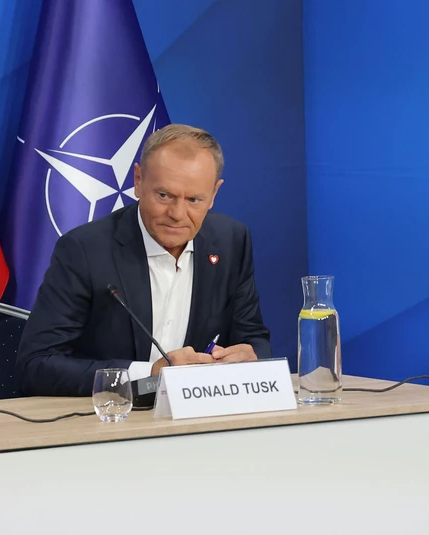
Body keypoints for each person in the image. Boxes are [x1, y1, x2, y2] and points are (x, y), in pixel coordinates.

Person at [16, 124, 271, 396]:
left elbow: (254, 339)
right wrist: (147, 375)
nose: (177, 213)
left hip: (198, 410)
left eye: (194, 200)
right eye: (164, 195)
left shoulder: (232, 242)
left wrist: (249, 357)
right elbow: (35, 366)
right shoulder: (85, 250)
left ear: (214, 195)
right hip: (110, 412)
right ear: (138, 180)